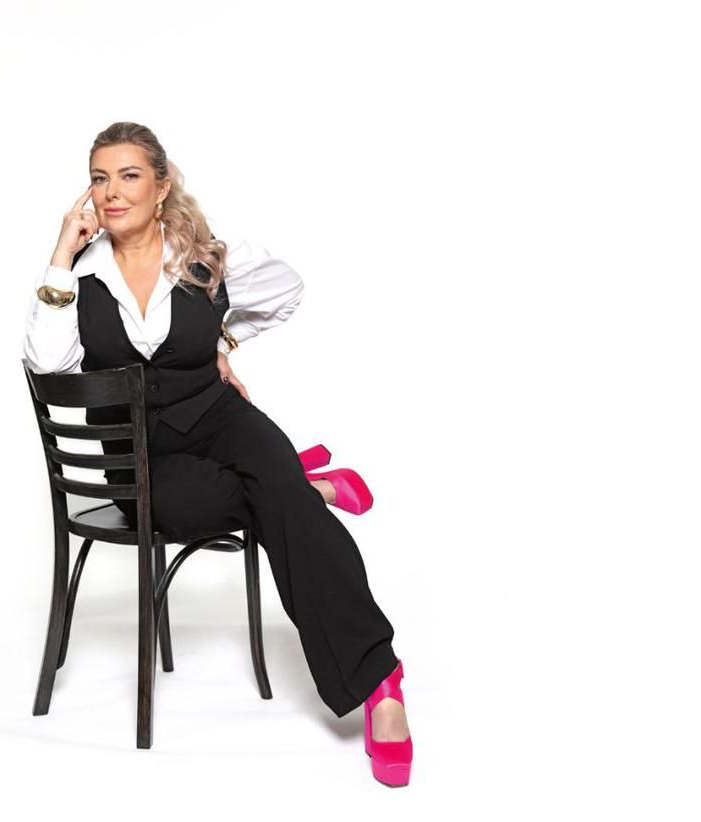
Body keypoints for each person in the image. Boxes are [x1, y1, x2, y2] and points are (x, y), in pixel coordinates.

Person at [23, 122, 413, 787]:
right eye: (99, 178)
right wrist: (62, 251)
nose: (112, 192)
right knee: (224, 502)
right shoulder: (80, 275)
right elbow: (47, 361)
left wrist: (223, 342)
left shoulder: (200, 259)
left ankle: (382, 682)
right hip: (139, 455)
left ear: (160, 185)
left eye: (128, 175)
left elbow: (287, 287)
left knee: (281, 501)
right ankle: (306, 486)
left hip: (220, 418)